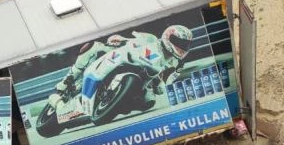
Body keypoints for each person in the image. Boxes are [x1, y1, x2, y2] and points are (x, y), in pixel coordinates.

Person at [53, 24, 193, 99]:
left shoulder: (177, 64)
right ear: (169, 36)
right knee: (93, 47)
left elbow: (166, 85)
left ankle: (117, 102)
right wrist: (120, 39)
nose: (182, 47)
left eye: (185, 44)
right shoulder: (151, 39)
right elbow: (134, 40)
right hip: (130, 59)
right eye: (179, 42)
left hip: (147, 82)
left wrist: (160, 83)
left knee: (149, 101)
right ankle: (68, 79)